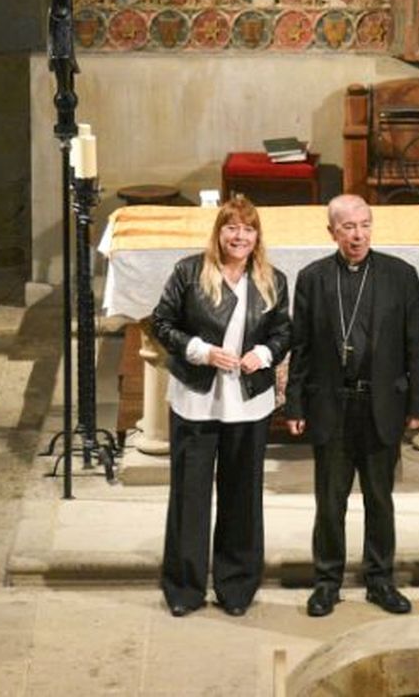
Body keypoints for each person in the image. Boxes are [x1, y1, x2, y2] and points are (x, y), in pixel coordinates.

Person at [285, 195, 419, 617]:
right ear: (332, 232)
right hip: (331, 403)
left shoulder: (400, 275)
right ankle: (327, 581)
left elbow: (412, 346)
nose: (358, 234)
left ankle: (380, 580)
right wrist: (295, 405)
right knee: (330, 502)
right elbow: (302, 348)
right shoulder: (312, 279)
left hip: (382, 403)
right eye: (348, 227)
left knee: (379, 499)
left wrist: (417, 403)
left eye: (364, 225)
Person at [150, 195, 291, 618]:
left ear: (257, 237)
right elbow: (161, 324)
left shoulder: (272, 279)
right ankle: (184, 587)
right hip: (197, 399)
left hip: (248, 404)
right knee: (190, 497)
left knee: (243, 497)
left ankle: (237, 585)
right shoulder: (190, 272)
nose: (240, 236)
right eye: (232, 228)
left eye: (248, 229)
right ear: (219, 232)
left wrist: (263, 355)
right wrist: (201, 351)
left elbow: (284, 330)